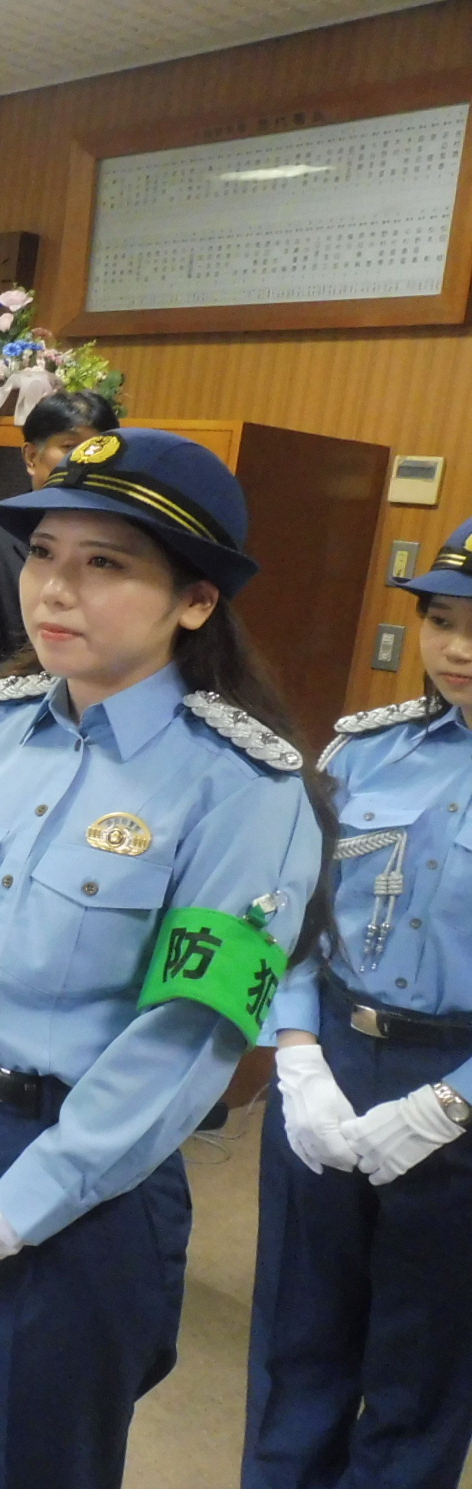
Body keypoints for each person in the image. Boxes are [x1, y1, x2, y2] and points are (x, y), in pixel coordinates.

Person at [0, 428, 333, 1489]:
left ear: (194, 601)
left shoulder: (244, 791)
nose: (55, 589)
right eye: (44, 553)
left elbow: (188, 1039)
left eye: (105, 564)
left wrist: (15, 1209)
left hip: (81, 1171)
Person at [244, 517, 472, 1489]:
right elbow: (285, 911)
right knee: (296, 1343)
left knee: (424, 1366)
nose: (457, 648)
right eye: (440, 620)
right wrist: (293, 1055)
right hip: (330, 1056)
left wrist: (451, 1103)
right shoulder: (362, 750)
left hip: (455, 1084)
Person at [0, 389, 120, 687]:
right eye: (70, 447)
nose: (85, 461)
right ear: (32, 457)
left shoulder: (122, 544)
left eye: (97, 450)